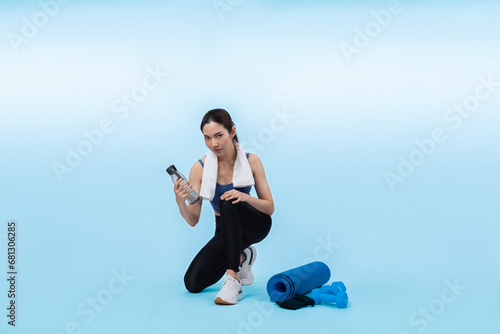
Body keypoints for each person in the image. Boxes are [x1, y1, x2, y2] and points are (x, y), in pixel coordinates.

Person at [173, 108, 274, 305]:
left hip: (254, 224)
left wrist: (244, 198)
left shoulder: (251, 161)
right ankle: (243, 256)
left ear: (232, 132)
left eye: (219, 135)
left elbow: (269, 207)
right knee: (192, 283)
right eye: (207, 138)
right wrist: (180, 201)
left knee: (228, 201)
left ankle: (233, 280)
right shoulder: (199, 168)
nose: (214, 144)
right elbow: (193, 220)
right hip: (224, 230)